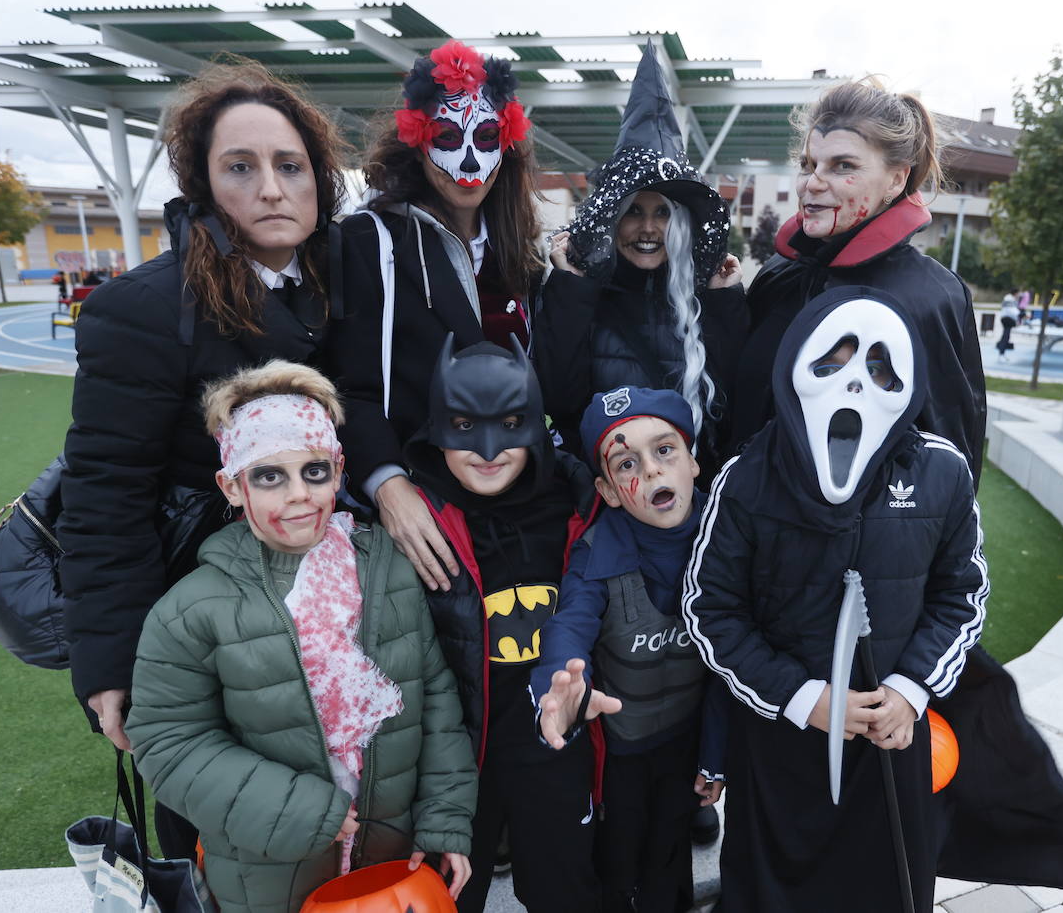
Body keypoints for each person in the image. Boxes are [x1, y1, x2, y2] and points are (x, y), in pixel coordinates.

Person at [57, 59, 348, 860]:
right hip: (208, 632)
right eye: (241, 167)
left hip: (332, 614)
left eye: (291, 166)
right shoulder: (144, 309)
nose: (272, 188)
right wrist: (111, 663)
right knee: (225, 839)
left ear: (321, 180)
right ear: (201, 184)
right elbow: (106, 495)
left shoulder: (344, 289)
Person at [126, 361, 476, 913]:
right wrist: (305, 812)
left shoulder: (387, 570)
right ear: (232, 487)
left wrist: (445, 820)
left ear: (339, 472)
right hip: (268, 877)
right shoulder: (191, 609)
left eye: (314, 472)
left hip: (392, 863)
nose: (298, 496)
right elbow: (168, 743)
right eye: (269, 476)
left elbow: (434, 698)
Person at [683, 288, 987, 910]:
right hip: (781, 746)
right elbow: (710, 611)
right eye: (835, 360)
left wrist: (911, 690)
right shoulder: (745, 479)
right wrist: (804, 698)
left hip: (890, 740)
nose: (855, 384)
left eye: (879, 367)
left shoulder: (942, 473)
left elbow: (963, 595)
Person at [329, 40, 542, 598]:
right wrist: (387, 485)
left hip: (513, 512)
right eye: (449, 138)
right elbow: (346, 384)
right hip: (420, 518)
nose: (469, 161)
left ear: (509, 142)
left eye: (487, 138)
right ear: (418, 142)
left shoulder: (521, 254)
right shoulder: (370, 242)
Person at [406, 338, 601, 913]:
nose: (488, 449)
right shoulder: (418, 520)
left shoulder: (578, 502)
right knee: (448, 894)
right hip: (456, 760)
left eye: (509, 424)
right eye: (465, 425)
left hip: (554, 749)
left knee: (563, 887)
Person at [730, 78, 987, 485]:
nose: (812, 183)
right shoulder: (779, 272)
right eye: (808, 165)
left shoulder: (931, 296)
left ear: (896, 180)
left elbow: (951, 460)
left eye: (843, 166)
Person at [534, 386, 728, 913]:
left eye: (665, 450)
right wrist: (558, 689)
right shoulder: (598, 552)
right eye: (627, 462)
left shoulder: (727, 541)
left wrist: (715, 755)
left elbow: (732, 665)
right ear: (611, 490)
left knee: (671, 845)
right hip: (622, 747)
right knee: (620, 852)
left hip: (688, 737)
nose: (651, 472)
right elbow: (568, 629)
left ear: (692, 463)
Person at [537, 47, 747, 481]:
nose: (648, 228)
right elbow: (557, 401)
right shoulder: (582, 297)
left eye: (663, 212)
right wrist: (570, 291)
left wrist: (725, 303)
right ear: (613, 220)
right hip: (605, 502)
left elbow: (734, 407)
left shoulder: (707, 298)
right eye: (634, 211)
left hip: (691, 503)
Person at [995, 292, 1019, 361]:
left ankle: (1002, 353)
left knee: (1006, 336)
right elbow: (1011, 310)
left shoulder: (1009, 298)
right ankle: (1001, 353)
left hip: (1006, 318)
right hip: (1007, 319)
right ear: (1015, 293)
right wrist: (1020, 314)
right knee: (1005, 337)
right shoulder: (1009, 299)